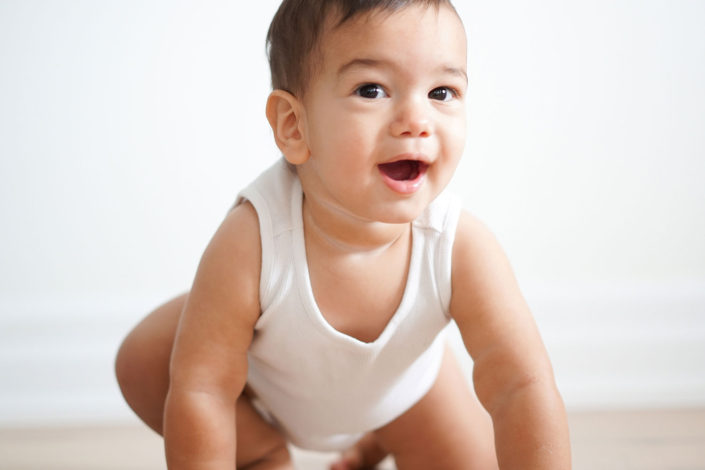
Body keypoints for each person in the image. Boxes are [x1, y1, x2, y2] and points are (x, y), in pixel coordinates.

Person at [115, 0, 571, 468]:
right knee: (147, 361)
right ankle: (263, 454)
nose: (417, 120)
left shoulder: (459, 247)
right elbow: (204, 388)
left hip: (405, 395)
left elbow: (522, 385)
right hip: (267, 383)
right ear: (294, 126)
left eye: (441, 92)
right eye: (371, 89)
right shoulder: (253, 240)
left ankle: (378, 440)